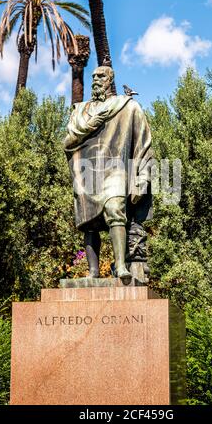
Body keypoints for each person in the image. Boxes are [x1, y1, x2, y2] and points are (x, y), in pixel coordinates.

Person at [64, 66, 153, 280]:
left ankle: (121, 266)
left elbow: (144, 143)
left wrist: (141, 178)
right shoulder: (80, 111)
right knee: (89, 223)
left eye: (101, 76)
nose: (96, 79)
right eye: (93, 76)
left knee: (115, 208)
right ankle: (93, 272)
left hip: (116, 170)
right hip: (88, 172)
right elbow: (67, 142)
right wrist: (92, 122)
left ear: (110, 80)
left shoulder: (128, 107)